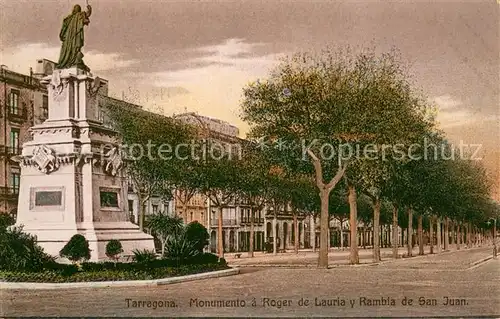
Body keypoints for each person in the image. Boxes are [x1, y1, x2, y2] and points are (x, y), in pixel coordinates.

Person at [57, 4, 92, 71]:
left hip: (69, 38)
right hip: (74, 36)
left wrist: (61, 35)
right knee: (75, 47)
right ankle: (73, 61)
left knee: (72, 48)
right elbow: (87, 15)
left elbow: (63, 29)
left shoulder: (70, 17)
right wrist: (89, 9)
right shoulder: (77, 15)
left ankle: (71, 61)